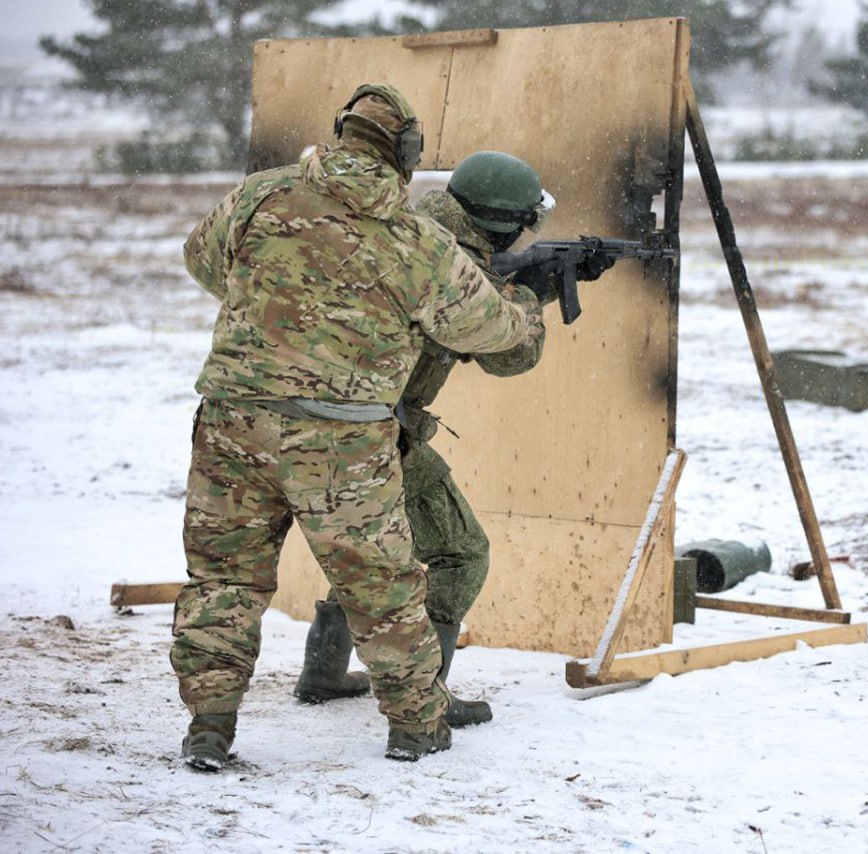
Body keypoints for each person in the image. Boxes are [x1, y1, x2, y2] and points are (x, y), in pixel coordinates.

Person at [171, 84, 542, 772]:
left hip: (233, 422)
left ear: (340, 131)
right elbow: (492, 332)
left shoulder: (261, 194)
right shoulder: (413, 239)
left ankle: (209, 728)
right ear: (406, 156)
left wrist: (281, 305)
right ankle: (416, 729)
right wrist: (525, 305)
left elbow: (202, 257)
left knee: (223, 581)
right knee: (385, 590)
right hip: (341, 441)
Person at [293, 151, 612, 727]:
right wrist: (528, 295)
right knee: (459, 555)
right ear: (507, 222)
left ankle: (323, 670)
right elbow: (508, 357)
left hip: (322, 418)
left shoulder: (410, 231)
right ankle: (426, 698)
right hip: (377, 429)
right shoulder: (452, 265)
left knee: (368, 546)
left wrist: (516, 279)